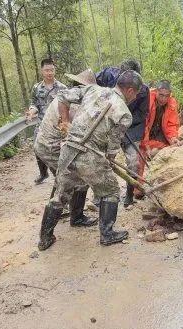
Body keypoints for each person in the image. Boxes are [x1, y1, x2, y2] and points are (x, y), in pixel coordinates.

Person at [38, 70, 143, 251]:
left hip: (68, 150)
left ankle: (45, 238)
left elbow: (62, 96)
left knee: (60, 195)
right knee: (110, 191)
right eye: (137, 94)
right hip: (91, 155)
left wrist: (65, 123)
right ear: (131, 91)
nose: (135, 98)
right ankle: (107, 234)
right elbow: (113, 145)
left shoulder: (92, 89)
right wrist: (108, 160)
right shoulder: (125, 114)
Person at [32, 69, 96, 223]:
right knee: (79, 178)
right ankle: (76, 217)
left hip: (44, 144)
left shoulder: (66, 96)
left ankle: (63, 212)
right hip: (50, 147)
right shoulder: (73, 104)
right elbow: (77, 136)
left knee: (62, 178)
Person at [95, 59, 149, 207]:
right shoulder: (108, 75)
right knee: (98, 158)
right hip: (108, 122)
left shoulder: (143, 90)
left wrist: (125, 122)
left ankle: (129, 195)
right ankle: (98, 195)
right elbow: (89, 80)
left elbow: (142, 114)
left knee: (133, 161)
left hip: (131, 127)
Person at [25, 58, 67, 184]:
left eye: (52, 70)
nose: (49, 73)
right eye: (47, 70)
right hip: (42, 124)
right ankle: (43, 173)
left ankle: (59, 175)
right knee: (37, 148)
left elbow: (68, 105)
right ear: (42, 71)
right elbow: (34, 104)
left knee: (57, 150)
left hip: (58, 126)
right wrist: (32, 111)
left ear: (55, 71)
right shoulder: (37, 88)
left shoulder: (62, 88)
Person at [136, 80, 180, 183]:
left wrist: (173, 137)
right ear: (156, 92)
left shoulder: (172, 103)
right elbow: (143, 125)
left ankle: (164, 183)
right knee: (140, 156)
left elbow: (172, 124)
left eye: (166, 96)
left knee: (174, 150)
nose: (163, 99)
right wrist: (146, 146)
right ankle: (137, 188)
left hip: (160, 134)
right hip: (144, 134)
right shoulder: (147, 100)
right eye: (161, 95)